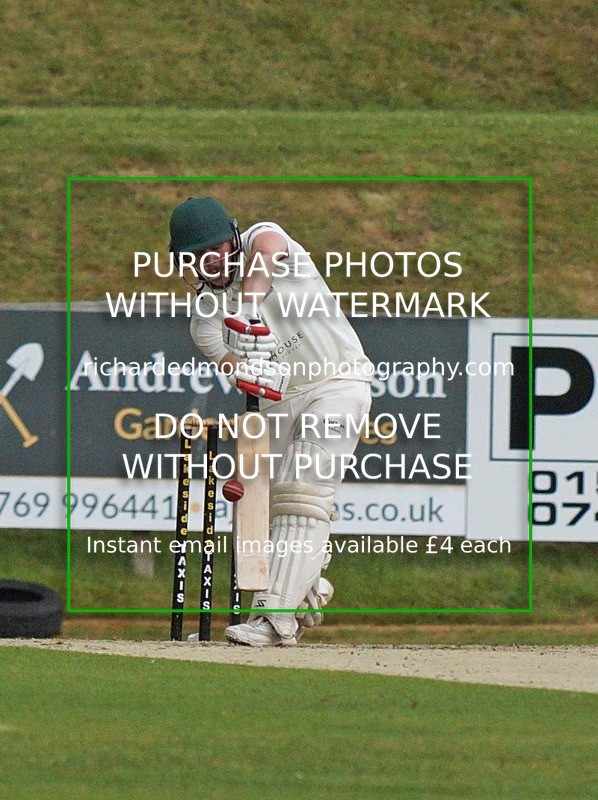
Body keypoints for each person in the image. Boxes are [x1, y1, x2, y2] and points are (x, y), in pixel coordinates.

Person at [169, 196, 373, 646]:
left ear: (233, 239)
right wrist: (241, 368)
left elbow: (265, 254)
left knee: (304, 493)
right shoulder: (205, 319)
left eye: (214, 250)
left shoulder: (266, 239)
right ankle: (304, 588)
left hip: (338, 380)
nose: (208, 262)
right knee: (275, 506)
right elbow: (232, 367)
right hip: (280, 404)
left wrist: (249, 307)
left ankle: (273, 620)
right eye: (194, 256)